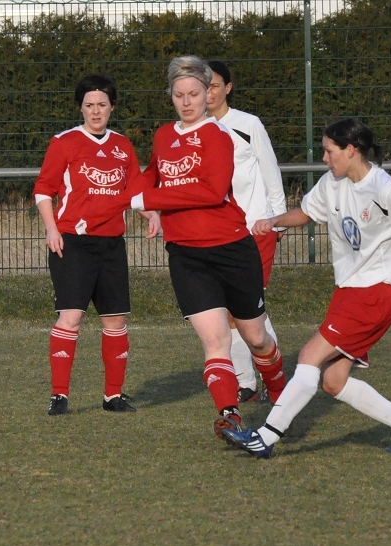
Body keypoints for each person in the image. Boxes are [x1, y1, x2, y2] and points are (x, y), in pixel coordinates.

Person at [223, 117, 391, 457]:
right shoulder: (332, 182)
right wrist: (274, 221)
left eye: (329, 151)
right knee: (334, 381)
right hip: (349, 291)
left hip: (377, 293)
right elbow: (307, 212)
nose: (324, 158)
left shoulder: (383, 189)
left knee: (308, 357)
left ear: (350, 150)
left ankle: (265, 438)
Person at [124, 55, 287, 440]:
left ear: (207, 93)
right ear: (171, 95)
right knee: (215, 340)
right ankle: (230, 415)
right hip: (186, 255)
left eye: (194, 94)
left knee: (257, 338)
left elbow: (211, 192)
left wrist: (148, 199)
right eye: (179, 95)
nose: (187, 102)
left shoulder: (219, 135)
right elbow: (152, 174)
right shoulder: (164, 135)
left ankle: (282, 397)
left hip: (232, 249)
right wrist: (126, 194)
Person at [31, 74, 160, 416]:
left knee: (115, 321)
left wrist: (151, 214)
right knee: (71, 317)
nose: (95, 110)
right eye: (89, 105)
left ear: (112, 107)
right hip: (72, 243)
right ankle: (59, 395)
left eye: (102, 104)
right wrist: (51, 229)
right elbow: (43, 190)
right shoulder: (64, 142)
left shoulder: (123, 145)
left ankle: (112, 396)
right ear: (81, 108)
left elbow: (134, 191)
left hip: (111, 244)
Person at [206, 60, 288, 404]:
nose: (208, 92)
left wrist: (278, 220)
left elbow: (270, 170)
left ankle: (270, 382)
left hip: (255, 228)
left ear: (228, 88)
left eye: (214, 85)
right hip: (218, 234)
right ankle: (250, 383)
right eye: (202, 86)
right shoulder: (195, 130)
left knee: (248, 309)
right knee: (229, 310)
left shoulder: (247, 124)